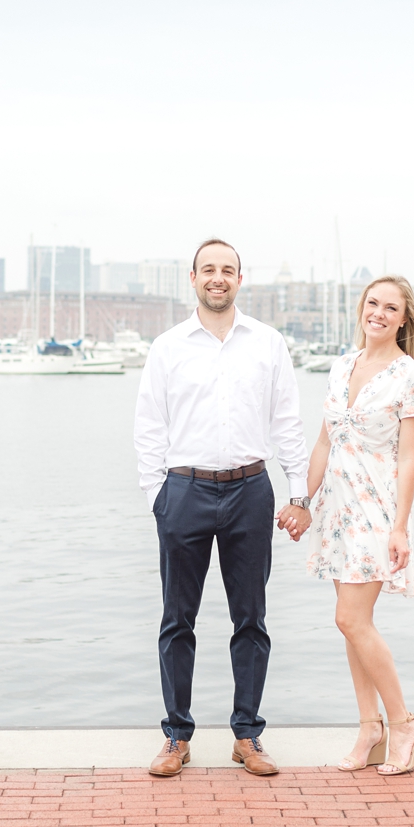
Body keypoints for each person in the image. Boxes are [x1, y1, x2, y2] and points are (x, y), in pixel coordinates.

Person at [133, 238, 310, 777]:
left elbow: (287, 423)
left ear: (240, 278)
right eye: (208, 269)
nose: (218, 278)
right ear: (193, 278)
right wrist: (158, 497)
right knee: (176, 620)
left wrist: (299, 492)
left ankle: (247, 736)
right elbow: (148, 426)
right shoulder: (168, 346)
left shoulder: (268, 342)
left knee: (251, 619)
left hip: (251, 490)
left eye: (227, 270)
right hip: (183, 491)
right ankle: (176, 737)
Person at [276, 274, 414, 775]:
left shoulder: (411, 377)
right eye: (373, 303)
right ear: (361, 308)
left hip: (377, 510)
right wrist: (302, 500)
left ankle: (404, 725)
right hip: (338, 511)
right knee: (352, 623)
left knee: (351, 619)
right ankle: (370, 728)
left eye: (391, 308)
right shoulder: (341, 367)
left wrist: (401, 527)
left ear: (403, 318)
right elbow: (323, 443)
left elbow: (408, 460)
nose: (380, 314)